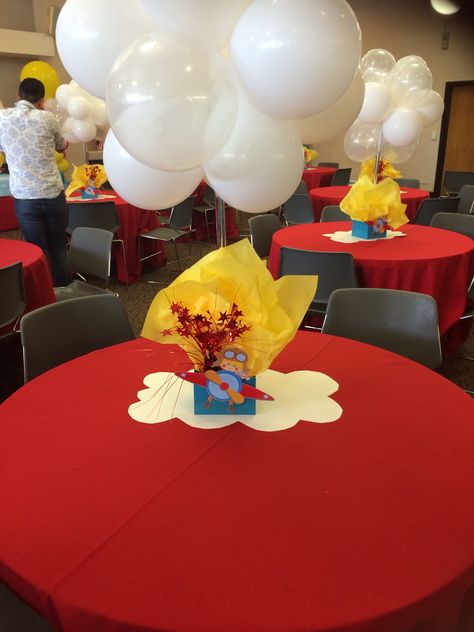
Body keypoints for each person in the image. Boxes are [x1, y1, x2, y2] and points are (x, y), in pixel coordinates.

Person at [0, 77, 70, 286]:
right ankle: (64, 288)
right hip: (52, 193)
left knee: (36, 248)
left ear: (17, 95)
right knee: (58, 244)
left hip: (25, 197)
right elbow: (61, 146)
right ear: (41, 101)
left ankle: (43, 293)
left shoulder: (2, 119)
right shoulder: (48, 118)